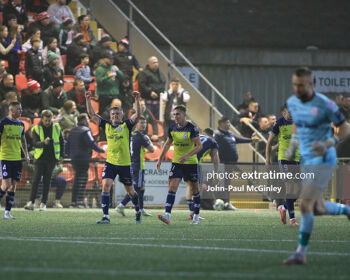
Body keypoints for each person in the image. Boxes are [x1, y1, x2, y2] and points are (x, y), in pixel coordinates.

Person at [282, 67, 350, 265]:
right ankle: (346, 210)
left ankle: (301, 253)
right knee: (317, 208)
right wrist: (294, 143)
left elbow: (345, 129)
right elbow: (297, 124)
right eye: (295, 84)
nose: (297, 88)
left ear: (311, 84)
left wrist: (328, 143)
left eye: (301, 85)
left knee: (304, 203)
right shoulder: (292, 102)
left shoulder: (324, 103)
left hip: (324, 158)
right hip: (306, 159)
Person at [86, 90, 142, 224]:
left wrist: (137, 100)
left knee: (131, 191)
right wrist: (88, 99)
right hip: (110, 163)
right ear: (110, 116)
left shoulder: (126, 125)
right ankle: (106, 217)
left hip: (125, 164)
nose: (115, 116)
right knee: (105, 186)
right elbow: (92, 114)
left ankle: (138, 211)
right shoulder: (106, 125)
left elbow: (138, 114)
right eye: (113, 114)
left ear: (122, 115)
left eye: (118, 114)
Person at [156, 105, 203, 224]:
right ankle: (167, 215)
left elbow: (199, 146)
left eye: (178, 114)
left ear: (184, 115)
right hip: (177, 162)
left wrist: (187, 155)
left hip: (191, 163)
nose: (175, 116)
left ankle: (196, 216)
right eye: (174, 114)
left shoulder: (192, 128)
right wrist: (160, 159)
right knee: (172, 187)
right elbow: (167, 144)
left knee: (195, 189)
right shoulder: (172, 128)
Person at [266, 104, 300, 227]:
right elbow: (269, 142)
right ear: (284, 112)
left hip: (297, 158)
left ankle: (283, 207)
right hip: (284, 159)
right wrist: (267, 159)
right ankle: (293, 220)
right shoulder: (279, 123)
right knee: (290, 187)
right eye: (288, 111)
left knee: (298, 191)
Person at [214, 116, 260, 209]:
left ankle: (226, 203)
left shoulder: (230, 134)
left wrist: (251, 140)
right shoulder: (217, 134)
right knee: (224, 183)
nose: (228, 124)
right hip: (223, 163)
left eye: (229, 123)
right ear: (220, 124)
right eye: (226, 123)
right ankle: (222, 202)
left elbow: (239, 139)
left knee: (227, 183)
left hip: (232, 163)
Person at [24, 110, 64, 211]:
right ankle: (31, 202)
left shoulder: (56, 127)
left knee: (47, 181)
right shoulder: (36, 129)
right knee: (36, 180)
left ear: (52, 119)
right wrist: (43, 143)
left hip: (52, 159)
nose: (47, 122)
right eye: (46, 120)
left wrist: (62, 155)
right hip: (40, 158)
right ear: (42, 118)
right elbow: (34, 144)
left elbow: (62, 142)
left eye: (49, 120)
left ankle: (43, 204)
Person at [115, 116, 154, 216]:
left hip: (130, 164)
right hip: (138, 166)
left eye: (144, 123)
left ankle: (141, 209)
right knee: (136, 188)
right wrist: (149, 140)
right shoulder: (141, 136)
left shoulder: (130, 135)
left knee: (141, 187)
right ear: (136, 124)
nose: (143, 125)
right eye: (141, 123)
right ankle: (121, 205)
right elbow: (152, 150)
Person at [67, 113, 105, 208]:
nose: (88, 122)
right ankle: (80, 201)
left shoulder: (72, 130)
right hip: (83, 158)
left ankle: (74, 201)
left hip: (74, 158)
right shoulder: (86, 131)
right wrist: (101, 151)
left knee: (77, 179)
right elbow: (91, 143)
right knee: (83, 179)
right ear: (84, 120)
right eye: (87, 120)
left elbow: (68, 144)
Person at [0, 101, 30, 219]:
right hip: (5, 158)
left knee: (13, 185)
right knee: (6, 184)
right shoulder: (3, 123)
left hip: (17, 159)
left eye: (21, 109)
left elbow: (22, 141)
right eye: (18, 109)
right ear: (11, 110)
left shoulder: (21, 124)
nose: (21, 111)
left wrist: (26, 154)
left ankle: (7, 213)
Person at [186, 127, 219, 219]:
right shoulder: (213, 142)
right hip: (195, 163)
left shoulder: (196, 136)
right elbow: (216, 159)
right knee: (197, 188)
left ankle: (191, 211)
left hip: (184, 160)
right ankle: (194, 213)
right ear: (213, 136)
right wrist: (215, 172)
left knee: (189, 186)